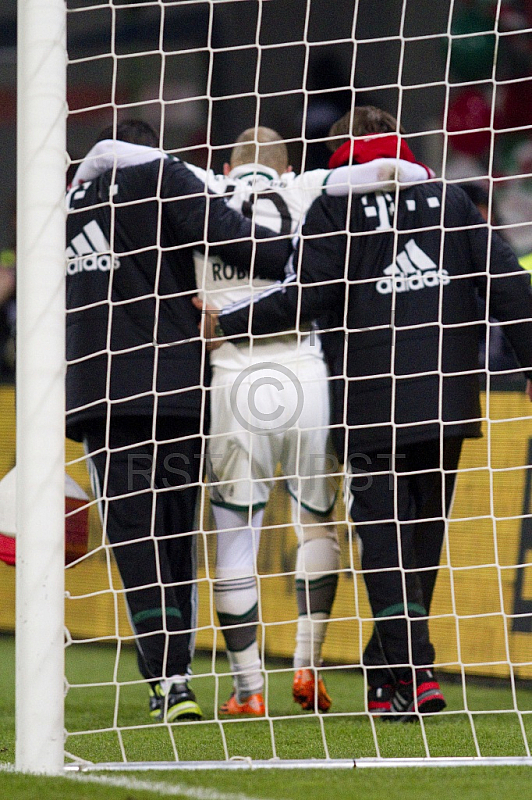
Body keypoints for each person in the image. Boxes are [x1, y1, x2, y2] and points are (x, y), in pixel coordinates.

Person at [199, 106, 532, 721]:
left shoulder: (336, 207)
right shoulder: (453, 201)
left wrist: (233, 322)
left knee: (384, 544)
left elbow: (306, 298)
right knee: (422, 543)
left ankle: (414, 670)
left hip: (371, 406)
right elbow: (512, 291)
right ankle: (392, 675)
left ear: (342, 153)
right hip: (446, 401)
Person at [85, 124, 430, 717]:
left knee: (234, 540)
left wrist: (82, 170)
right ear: (284, 163)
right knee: (316, 526)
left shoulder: (200, 184)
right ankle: (306, 666)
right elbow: (403, 174)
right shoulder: (307, 187)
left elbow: (111, 153)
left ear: (229, 163)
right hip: (304, 370)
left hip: (231, 374)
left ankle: (248, 692)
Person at [66, 119, 293, 723]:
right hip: (176, 390)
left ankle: (168, 680)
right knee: (172, 536)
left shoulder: (62, 197)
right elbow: (252, 246)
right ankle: (178, 674)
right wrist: (276, 264)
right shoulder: (165, 178)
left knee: (135, 538)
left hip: (98, 393)